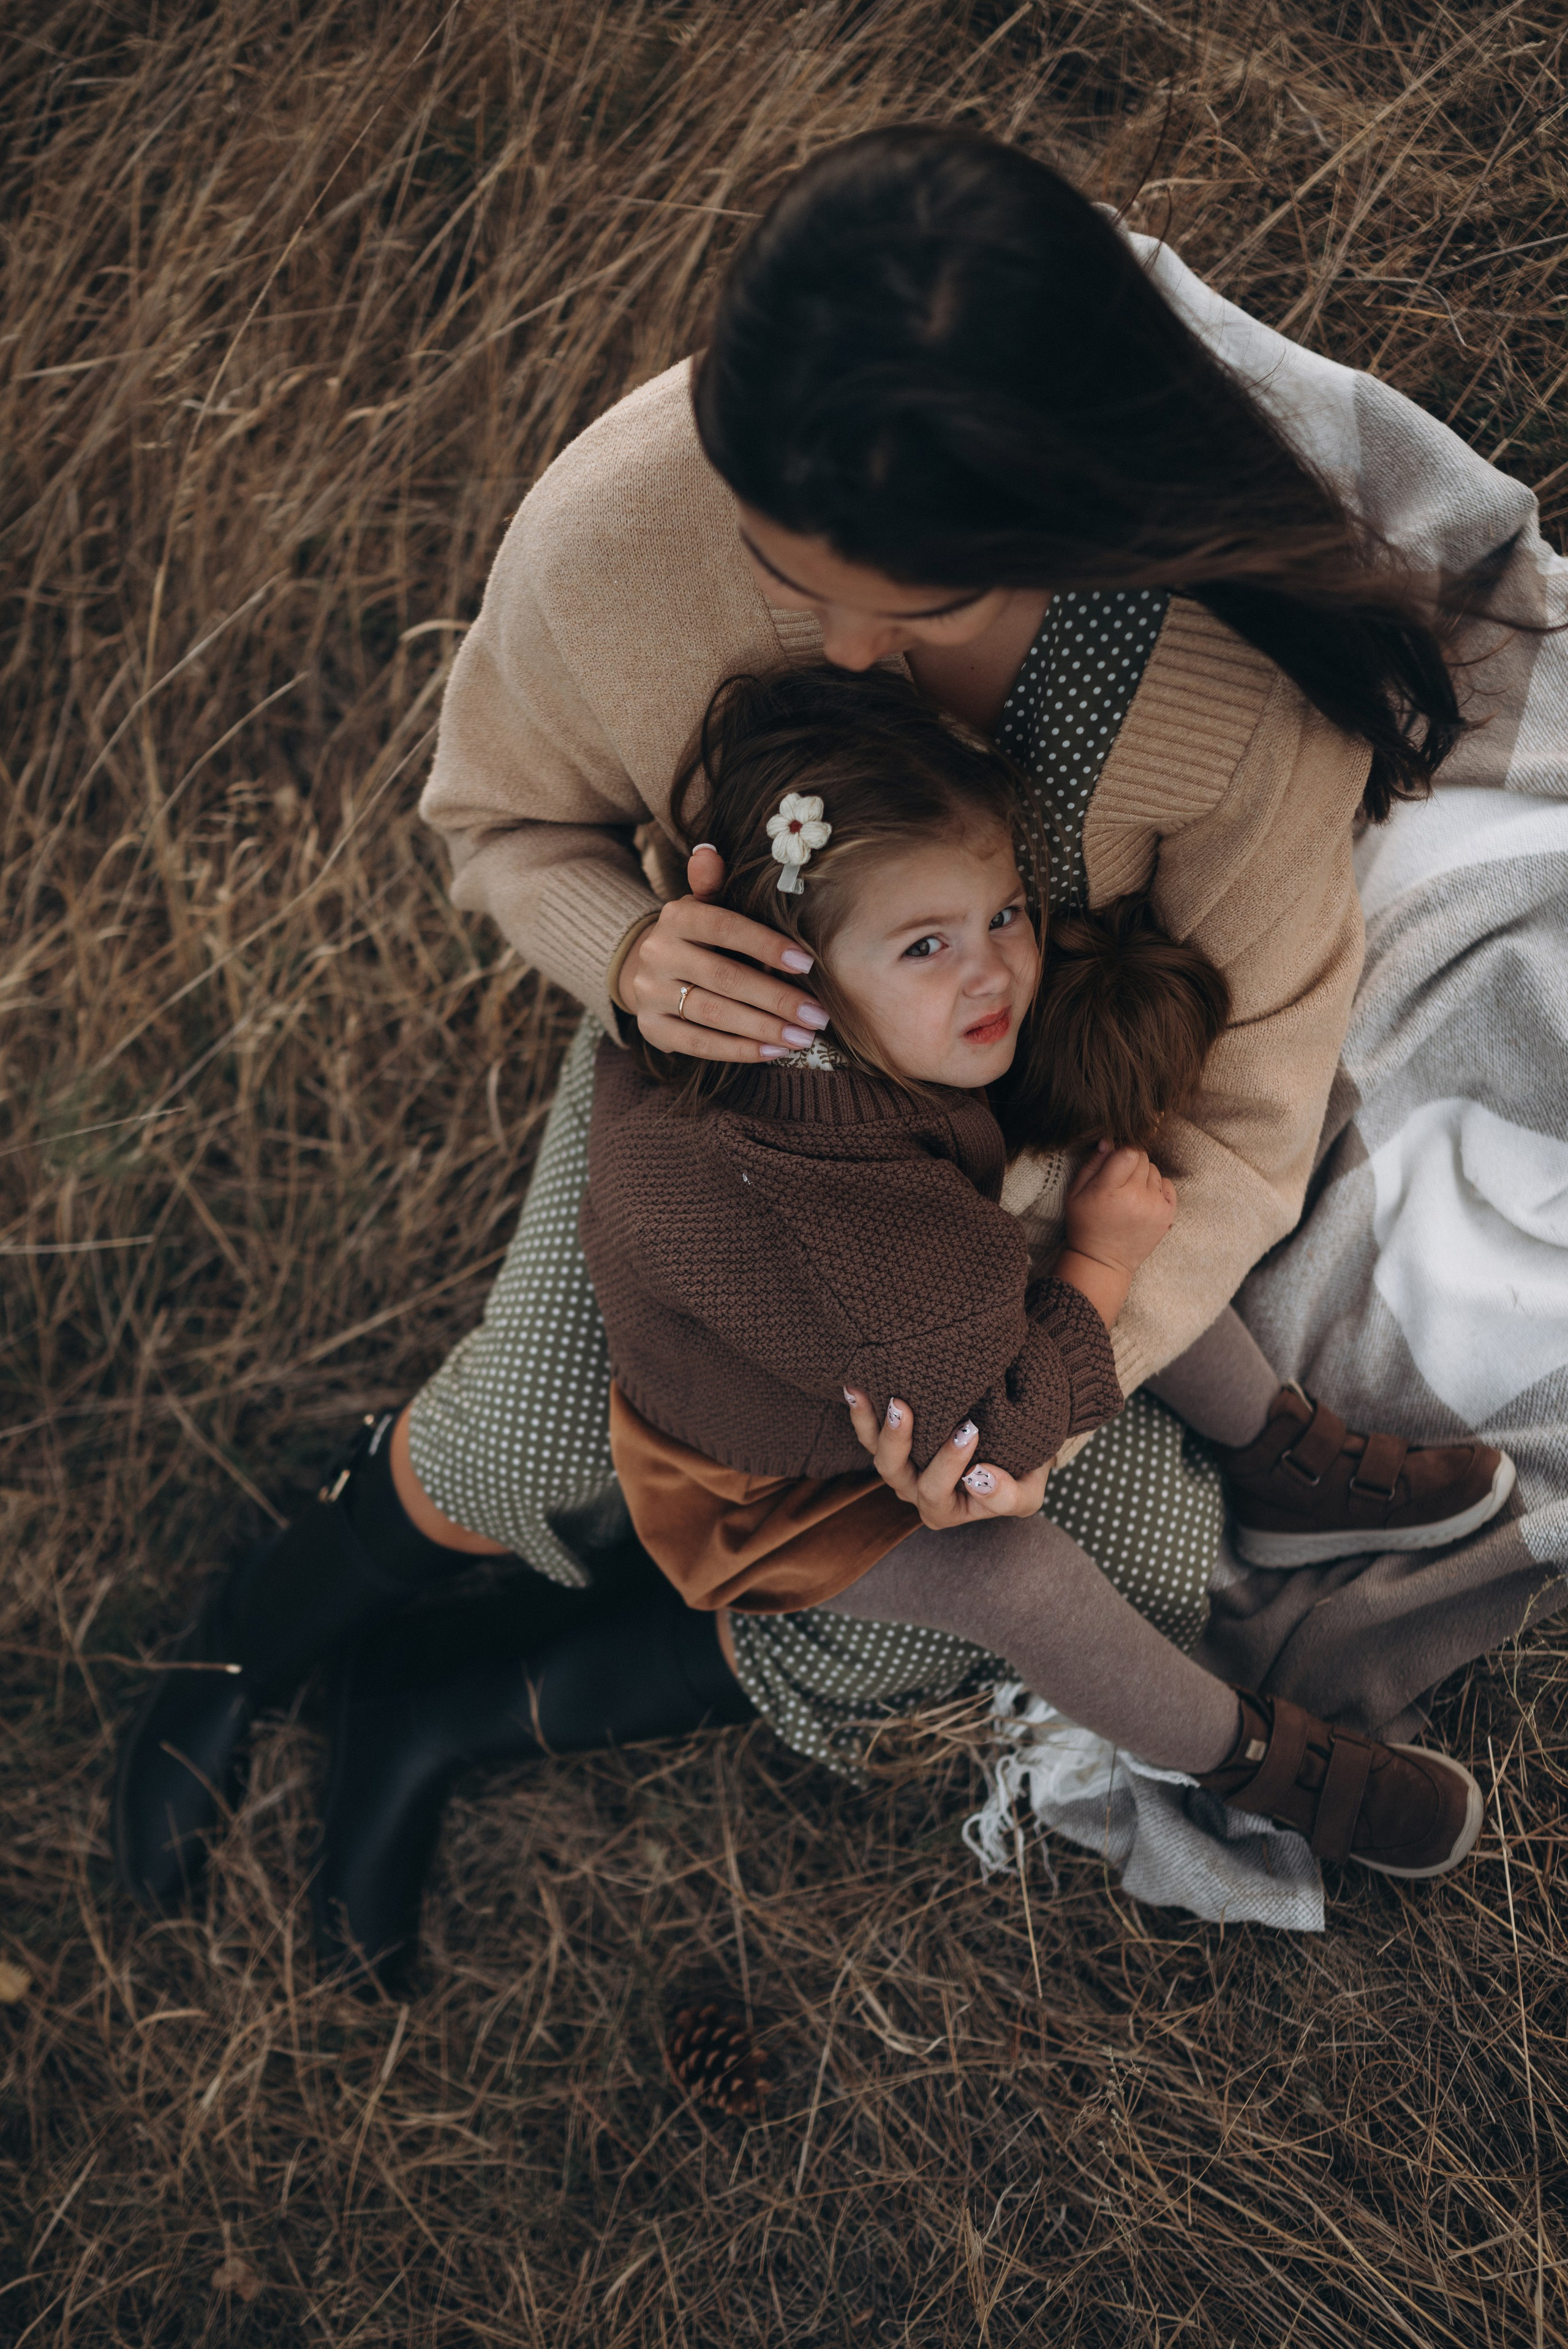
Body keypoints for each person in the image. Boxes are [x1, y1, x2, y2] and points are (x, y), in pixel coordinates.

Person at [113, 129, 1522, 1953]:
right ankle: (260, 1630)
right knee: (531, 1432)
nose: (846, 652)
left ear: (1074, 505)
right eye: (795, 579)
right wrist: (628, 950)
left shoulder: (1228, 690)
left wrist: (1053, 1372)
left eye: (917, 602)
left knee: (1125, 1572)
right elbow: (498, 821)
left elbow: (1246, 1110)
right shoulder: (621, 530)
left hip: (1018, 1144)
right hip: (739, 1078)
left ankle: (455, 1707)